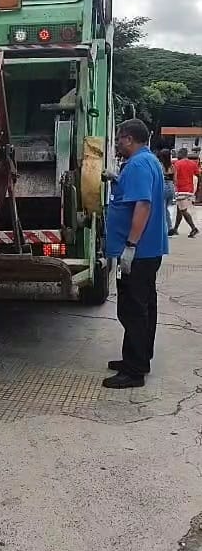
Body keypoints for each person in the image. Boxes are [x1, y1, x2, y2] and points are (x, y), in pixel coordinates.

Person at [104, 119, 168, 390]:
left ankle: (135, 370)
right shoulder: (146, 161)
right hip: (146, 250)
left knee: (132, 309)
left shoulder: (140, 164)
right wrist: (117, 180)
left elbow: (143, 204)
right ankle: (138, 356)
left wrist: (130, 245)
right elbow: (135, 195)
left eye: (119, 139)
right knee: (143, 306)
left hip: (138, 252)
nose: (117, 143)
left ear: (129, 139)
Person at [171, 148, 199, 238]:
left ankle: (193, 228)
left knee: (183, 210)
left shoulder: (177, 164)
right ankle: (175, 228)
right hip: (189, 189)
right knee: (180, 209)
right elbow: (197, 173)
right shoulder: (193, 163)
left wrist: (174, 187)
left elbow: (174, 176)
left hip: (181, 189)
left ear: (181, 154)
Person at [157, 148, 175, 234]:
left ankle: (166, 227)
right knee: (166, 208)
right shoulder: (172, 166)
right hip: (171, 187)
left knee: (162, 209)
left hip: (163, 186)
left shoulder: (160, 166)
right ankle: (169, 226)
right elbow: (175, 179)